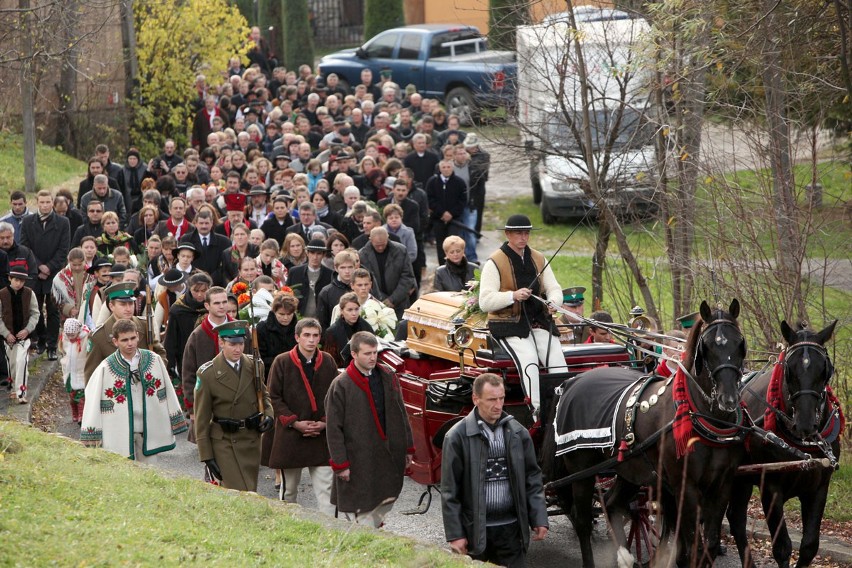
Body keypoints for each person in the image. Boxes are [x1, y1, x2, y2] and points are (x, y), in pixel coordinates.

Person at [441, 373, 549, 566]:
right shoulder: (457, 437)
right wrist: (455, 534)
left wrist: (539, 517)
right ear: (476, 399)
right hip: (476, 532)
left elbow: (532, 478)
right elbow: (450, 491)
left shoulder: (518, 433)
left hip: (511, 531)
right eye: (492, 399)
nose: (498, 405)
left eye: (501, 398)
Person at [325, 331, 414, 527]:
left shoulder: (387, 376)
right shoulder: (341, 385)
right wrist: (341, 464)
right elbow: (333, 428)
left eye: (375, 352)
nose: (373, 357)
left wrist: (408, 447)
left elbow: (401, 413)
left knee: (384, 502)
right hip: (357, 458)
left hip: (385, 454)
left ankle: (373, 538)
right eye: (367, 353)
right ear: (354, 354)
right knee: (361, 510)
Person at [478, 215, 563, 417]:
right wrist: (512, 296)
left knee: (558, 361)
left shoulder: (539, 258)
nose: (523, 237)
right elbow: (485, 301)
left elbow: (554, 288)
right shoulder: (495, 262)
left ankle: (562, 406)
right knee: (530, 360)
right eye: (519, 233)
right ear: (508, 234)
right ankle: (537, 411)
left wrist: (554, 301)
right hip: (509, 325)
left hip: (538, 323)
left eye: (526, 233)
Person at [80, 318, 188, 461]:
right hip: (119, 430)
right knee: (124, 474)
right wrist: (92, 432)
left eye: (132, 338)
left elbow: (167, 389)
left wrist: (175, 419)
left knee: (150, 473)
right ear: (115, 342)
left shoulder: (154, 360)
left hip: (148, 429)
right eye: (124, 340)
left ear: (138, 336)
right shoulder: (105, 368)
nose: (130, 343)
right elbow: (93, 400)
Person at [266, 318, 338, 514]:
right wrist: (294, 422)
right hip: (291, 436)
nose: (311, 340)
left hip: (320, 436)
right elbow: (273, 396)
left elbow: (335, 397)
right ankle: (288, 529)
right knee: (289, 491)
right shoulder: (282, 361)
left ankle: (330, 533)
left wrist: (325, 423)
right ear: (297, 337)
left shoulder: (328, 361)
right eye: (306, 335)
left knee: (327, 491)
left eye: (315, 336)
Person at [193, 320, 274, 491]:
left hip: (251, 439)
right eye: (232, 344)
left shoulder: (255, 365)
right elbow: (201, 418)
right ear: (221, 343)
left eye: (241, 344)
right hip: (225, 442)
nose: (237, 349)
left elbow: (263, 395)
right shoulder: (207, 373)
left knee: (250, 490)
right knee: (239, 492)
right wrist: (206, 455)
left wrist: (268, 414)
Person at [20, 190, 71, 360]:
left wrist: (49, 267)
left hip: (54, 273)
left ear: (52, 203)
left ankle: (52, 346)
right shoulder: (27, 222)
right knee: (35, 308)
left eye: (48, 202)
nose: (45, 205)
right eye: (41, 202)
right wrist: (39, 266)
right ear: (36, 203)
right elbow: (25, 246)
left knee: (53, 310)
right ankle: (41, 339)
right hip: (34, 272)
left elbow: (64, 249)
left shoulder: (63, 222)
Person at [84, 281, 168, 383]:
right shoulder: (98, 336)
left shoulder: (144, 325)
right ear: (111, 306)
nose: (128, 309)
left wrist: (154, 373)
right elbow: (91, 374)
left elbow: (159, 353)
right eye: (123, 304)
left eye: (131, 303)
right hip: (116, 393)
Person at [181, 285, 231, 435]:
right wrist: (192, 408)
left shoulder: (241, 330)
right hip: (207, 402)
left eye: (224, 301)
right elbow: (188, 374)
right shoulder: (198, 335)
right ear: (207, 305)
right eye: (216, 303)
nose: (222, 306)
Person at [0, 261, 40, 403]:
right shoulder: (2, 294)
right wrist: (6, 333)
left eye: (22, 281)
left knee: (21, 361)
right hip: (8, 337)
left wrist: (27, 329)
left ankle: (21, 393)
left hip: (24, 336)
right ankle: (13, 388)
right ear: (10, 278)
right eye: (16, 280)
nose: (19, 283)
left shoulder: (30, 294)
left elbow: (35, 313)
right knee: (12, 364)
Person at [358, 227, 416, 320]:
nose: (380, 248)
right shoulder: (362, 254)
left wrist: (393, 299)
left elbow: (408, 277)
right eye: (377, 245)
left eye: (383, 244)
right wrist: (381, 300)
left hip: (399, 301)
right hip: (374, 303)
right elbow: (365, 280)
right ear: (370, 239)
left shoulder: (400, 250)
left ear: (388, 237)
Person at [425, 160, 466, 265]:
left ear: (452, 168)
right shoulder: (432, 182)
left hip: (454, 219)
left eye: (448, 167)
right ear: (440, 168)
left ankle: (455, 265)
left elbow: (462, 201)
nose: (446, 169)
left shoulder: (460, 182)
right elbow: (430, 199)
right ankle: (442, 267)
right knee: (441, 244)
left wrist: (451, 214)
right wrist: (442, 213)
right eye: (444, 167)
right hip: (438, 219)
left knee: (453, 243)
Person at [323, 292, 373, 367]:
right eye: (349, 310)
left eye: (356, 309)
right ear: (342, 311)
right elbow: (330, 361)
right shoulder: (332, 332)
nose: (354, 313)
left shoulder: (366, 327)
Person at [287, 238, 333, 318]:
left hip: (321, 320)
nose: (315, 257)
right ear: (307, 253)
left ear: (323, 255)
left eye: (318, 253)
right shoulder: (295, 272)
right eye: (312, 253)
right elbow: (286, 294)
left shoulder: (330, 274)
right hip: (297, 318)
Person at [256, 293, 298, 378]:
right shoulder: (262, 328)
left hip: (294, 374)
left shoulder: (299, 328)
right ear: (274, 312)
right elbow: (260, 358)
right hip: (270, 375)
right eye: (281, 314)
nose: (286, 318)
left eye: (289, 314)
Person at [59, 318, 89, 424]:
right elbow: (64, 351)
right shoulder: (65, 339)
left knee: (81, 395)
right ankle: (75, 411)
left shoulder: (85, 338)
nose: (70, 337)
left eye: (73, 335)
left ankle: (82, 414)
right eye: (68, 335)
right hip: (69, 371)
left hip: (81, 371)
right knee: (72, 394)